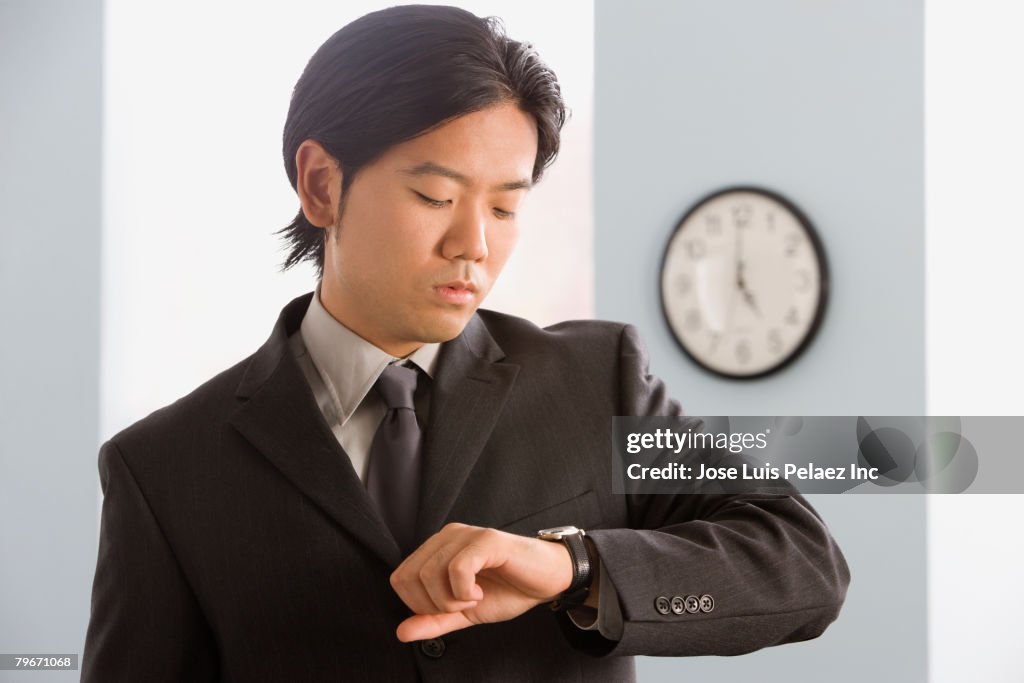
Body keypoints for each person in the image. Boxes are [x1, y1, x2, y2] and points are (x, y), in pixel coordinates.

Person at [82, 5, 850, 681]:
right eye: (435, 196)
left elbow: (800, 560)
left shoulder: (598, 383)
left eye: (507, 207)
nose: (474, 244)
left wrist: (573, 563)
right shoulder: (163, 469)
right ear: (321, 184)